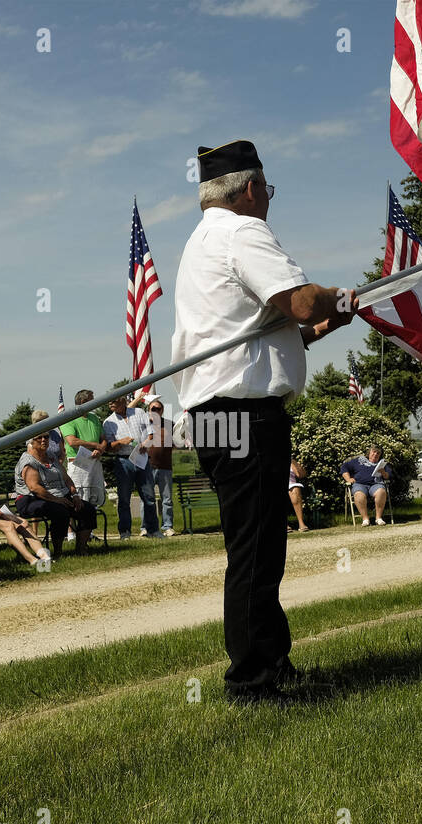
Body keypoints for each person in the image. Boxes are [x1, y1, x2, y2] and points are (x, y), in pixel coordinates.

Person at [171, 139, 358, 700]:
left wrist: (325, 326)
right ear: (250, 189)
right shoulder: (243, 232)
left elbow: (269, 332)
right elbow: (301, 302)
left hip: (213, 411)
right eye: (267, 191)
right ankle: (253, 680)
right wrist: (339, 297)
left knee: (253, 544)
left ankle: (269, 664)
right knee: (256, 550)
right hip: (244, 415)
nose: (268, 202)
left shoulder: (199, 242)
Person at [13, 433, 96, 558]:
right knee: (60, 512)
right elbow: (34, 487)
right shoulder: (28, 461)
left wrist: (75, 495)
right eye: (39, 437)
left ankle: (81, 548)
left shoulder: (51, 456)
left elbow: (66, 478)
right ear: (31, 442)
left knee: (87, 509)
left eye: (46, 437)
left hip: (58, 496)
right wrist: (57, 500)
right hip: (31, 499)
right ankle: (58, 552)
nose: (43, 440)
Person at [102, 394, 159, 539]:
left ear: (123, 401)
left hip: (142, 458)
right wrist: (120, 442)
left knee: (149, 496)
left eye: (113, 400)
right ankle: (125, 532)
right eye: (109, 402)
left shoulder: (139, 412)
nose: (110, 404)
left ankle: (153, 530)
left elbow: (151, 434)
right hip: (123, 461)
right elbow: (109, 447)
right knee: (124, 498)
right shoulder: (108, 422)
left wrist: (145, 445)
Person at [60, 388, 109, 511]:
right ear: (83, 401)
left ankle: (89, 529)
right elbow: (72, 441)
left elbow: (103, 439)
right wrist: (95, 445)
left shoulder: (94, 418)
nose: (94, 403)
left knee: (95, 496)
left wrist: (100, 449)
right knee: (79, 497)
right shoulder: (68, 418)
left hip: (95, 462)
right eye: (91, 400)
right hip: (78, 464)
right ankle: (75, 530)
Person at [141, 396, 178, 537]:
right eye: (153, 408)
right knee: (146, 499)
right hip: (146, 467)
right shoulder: (143, 424)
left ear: (162, 411)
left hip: (165, 467)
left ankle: (167, 526)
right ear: (148, 410)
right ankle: (145, 527)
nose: (155, 411)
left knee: (167, 499)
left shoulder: (170, 424)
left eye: (158, 408)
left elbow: (177, 442)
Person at [341, 445, 392, 526]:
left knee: (381, 492)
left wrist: (383, 472)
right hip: (359, 484)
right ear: (369, 453)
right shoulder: (359, 461)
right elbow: (344, 467)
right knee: (359, 494)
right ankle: (365, 519)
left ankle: (378, 518)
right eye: (374, 452)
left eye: (378, 453)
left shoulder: (382, 464)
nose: (375, 454)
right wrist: (348, 479)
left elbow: (388, 476)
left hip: (376, 484)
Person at [288, 459, 309, 532]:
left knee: (295, 489)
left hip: (291, 485)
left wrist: (293, 462)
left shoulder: (291, 461)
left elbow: (302, 475)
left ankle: (301, 523)